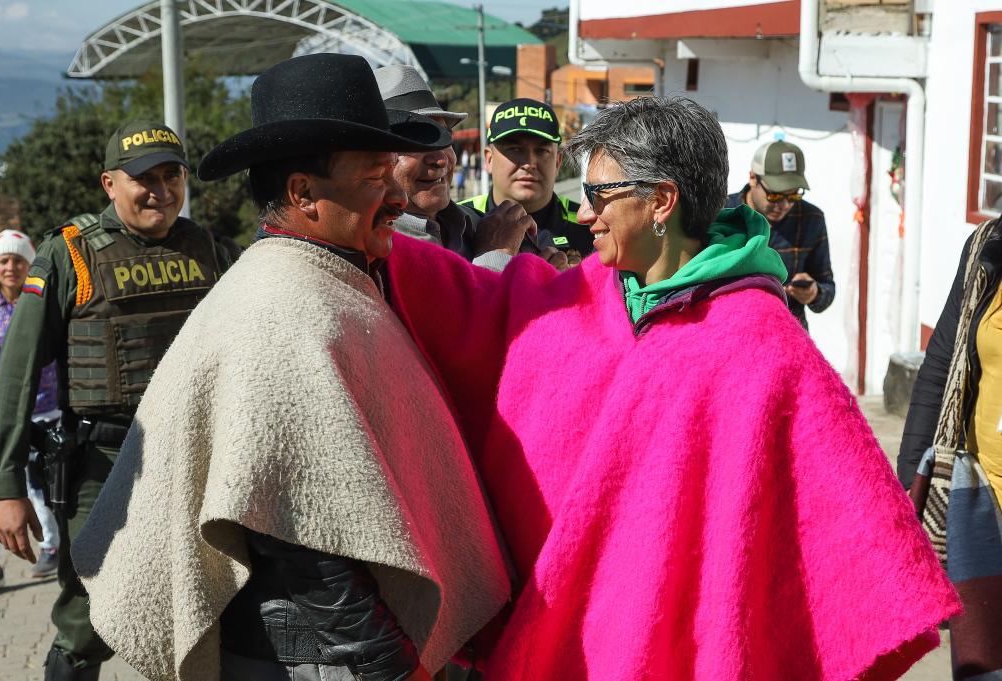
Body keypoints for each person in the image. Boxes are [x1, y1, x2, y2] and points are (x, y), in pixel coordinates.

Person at [386, 96, 959, 679]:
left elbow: (855, 550)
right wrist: (368, 238)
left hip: (688, 647)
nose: (584, 215)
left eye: (601, 196)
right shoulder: (588, 295)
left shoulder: (763, 348)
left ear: (660, 201)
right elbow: (485, 313)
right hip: (575, 632)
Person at [69, 54, 510, 681]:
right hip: (312, 654)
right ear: (303, 194)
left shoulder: (324, 276)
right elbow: (292, 524)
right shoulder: (284, 307)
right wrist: (382, 661)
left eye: (393, 173)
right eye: (374, 176)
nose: (394, 195)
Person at [0, 121, 239, 680]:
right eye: (142, 178)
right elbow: (16, 378)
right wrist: (7, 489)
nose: (160, 190)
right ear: (109, 184)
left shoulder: (208, 248)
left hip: (198, 457)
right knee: (88, 622)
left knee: (213, 605)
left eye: (171, 175)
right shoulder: (68, 255)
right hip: (104, 467)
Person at [899, 218, 1002, 679]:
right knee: (984, 665)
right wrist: (905, 499)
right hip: (982, 509)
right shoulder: (988, 247)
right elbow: (940, 369)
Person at [374, 65, 537, 271]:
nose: (440, 159)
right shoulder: (375, 252)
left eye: (444, 137)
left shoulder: (485, 224)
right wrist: (496, 257)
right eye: (416, 141)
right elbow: (453, 304)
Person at [0, 229, 61, 594]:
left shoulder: (42, 297)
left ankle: (51, 545)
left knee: (37, 481)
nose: (11, 267)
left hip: (45, 407)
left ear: (29, 263)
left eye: (18, 260)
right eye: (4, 260)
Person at [459, 98, 590, 265]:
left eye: (542, 151)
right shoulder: (458, 222)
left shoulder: (590, 226)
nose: (529, 163)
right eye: (515, 149)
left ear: (557, 162)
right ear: (489, 159)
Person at [726, 139, 835, 330]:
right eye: (775, 195)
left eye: (793, 195)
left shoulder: (811, 219)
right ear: (753, 178)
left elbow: (827, 289)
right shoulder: (722, 213)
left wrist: (814, 293)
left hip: (788, 334)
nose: (784, 205)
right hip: (731, 329)